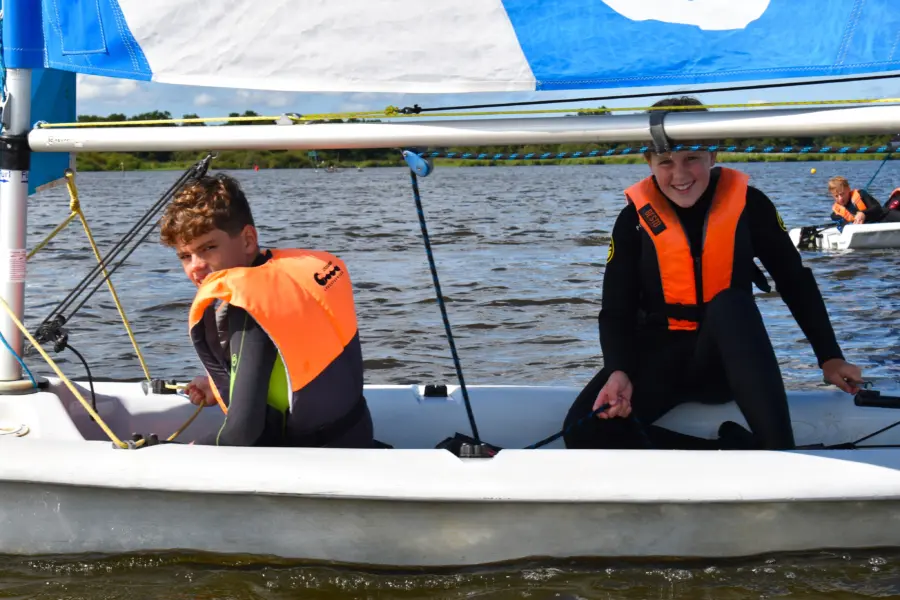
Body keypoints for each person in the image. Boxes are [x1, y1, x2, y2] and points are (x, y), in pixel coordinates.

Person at [563, 96, 864, 451]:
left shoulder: (750, 205)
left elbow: (794, 281)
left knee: (731, 304)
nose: (679, 175)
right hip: (660, 359)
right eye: (665, 162)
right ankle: (734, 451)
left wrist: (828, 355)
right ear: (648, 162)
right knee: (581, 431)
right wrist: (618, 370)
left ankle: (778, 450)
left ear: (713, 154)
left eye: (691, 158)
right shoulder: (634, 220)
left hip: (726, 362)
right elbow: (616, 308)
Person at [159, 173, 374, 448]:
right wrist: (217, 387)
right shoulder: (287, 282)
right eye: (185, 256)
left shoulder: (251, 308)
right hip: (354, 438)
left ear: (248, 240)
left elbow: (241, 434)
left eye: (208, 247)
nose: (196, 266)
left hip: (309, 461)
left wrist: (189, 451)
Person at [828, 176, 900, 224]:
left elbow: (878, 208)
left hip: (885, 215)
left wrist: (863, 213)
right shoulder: (836, 214)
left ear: (848, 189)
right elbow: (842, 225)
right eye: (836, 196)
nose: (840, 198)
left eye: (842, 194)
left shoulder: (861, 194)